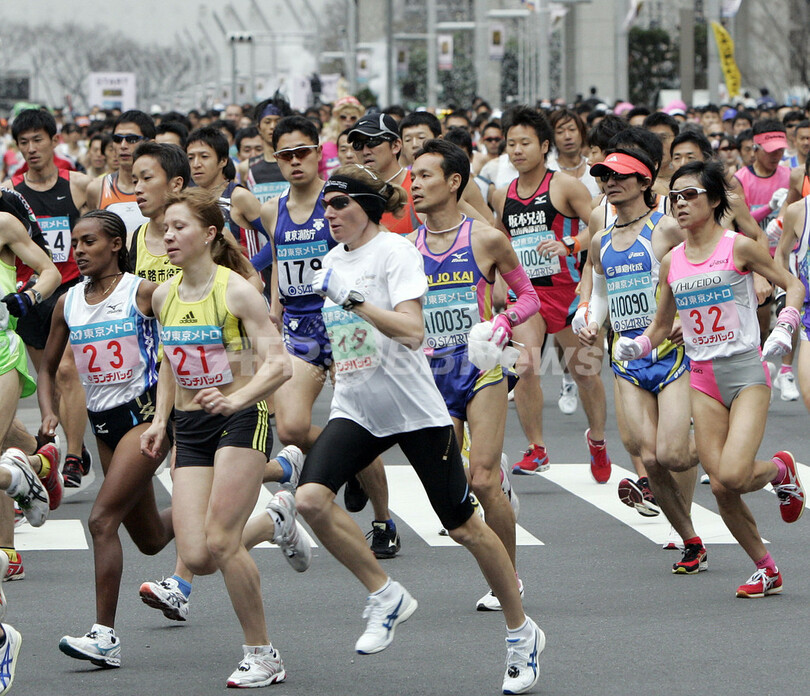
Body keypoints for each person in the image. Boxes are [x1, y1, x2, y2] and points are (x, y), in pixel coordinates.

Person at [296, 164, 543, 694]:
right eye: (326, 204)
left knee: (464, 527)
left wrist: (352, 300)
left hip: (415, 409)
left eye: (340, 203)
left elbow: (411, 332)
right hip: (357, 408)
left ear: (365, 205)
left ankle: (522, 634)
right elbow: (343, 339)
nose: (330, 213)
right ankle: (385, 595)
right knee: (311, 501)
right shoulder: (335, 262)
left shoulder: (396, 252)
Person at [615, 159, 806, 598]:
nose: (680, 204)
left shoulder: (738, 246)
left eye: (690, 196)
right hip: (701, 376)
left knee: (734, 476)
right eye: (674, 197)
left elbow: (791, 284)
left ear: (715, 200)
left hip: (744, 372)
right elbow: (662, 326)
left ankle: (781, 470)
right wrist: (639, 346)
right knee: (719, 485)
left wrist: (785, 323)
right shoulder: (671, 262)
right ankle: (766, 568)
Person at [139, 188, 294, 687]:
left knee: (223, 541)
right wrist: (161, 422)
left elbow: (279, 364)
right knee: (199, 555)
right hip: (191, 426)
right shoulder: (163, 295)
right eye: (165, 228)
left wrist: (238, 397)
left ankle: (263, 653)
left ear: (209, 234)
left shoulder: (236, 292)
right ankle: (275, 519)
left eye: (179, 227)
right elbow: (169, 362)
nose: (169, 236)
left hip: (242, 416)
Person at [254, 116, 399, 558]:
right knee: (292, 427)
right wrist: (274, 313)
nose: (295, 162)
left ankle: (383, 520)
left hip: (345, 325)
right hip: (300, 330)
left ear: (319, 152)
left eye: (303, 152)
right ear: (275, 159)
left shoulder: (339, 200)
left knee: (361, 425)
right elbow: (279, 260)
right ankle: (351, 469)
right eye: (285, 155)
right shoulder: (271, 209)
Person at [409, 140, 540, 609]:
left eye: (425, 175)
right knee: (456, 486)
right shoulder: (407, 249)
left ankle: (509, 577)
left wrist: (503, 322)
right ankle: (499, 486)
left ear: (454, 181)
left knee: (481, 479)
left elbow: (529, 298)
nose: (415, 183)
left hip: (482, 367)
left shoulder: (485, 238)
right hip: (431, 377)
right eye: (413, 175)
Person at [39, 210, 173, 668]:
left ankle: (105, 637)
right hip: (103, 426)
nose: (79, 249)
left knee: (101, 520)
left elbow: (190, 336)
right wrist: (48, 410)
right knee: (151, 538)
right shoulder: (68, 302)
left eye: (90, 241)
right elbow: (46, 366)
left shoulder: (143, 293)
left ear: (116, 244)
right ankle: (216, 507)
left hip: (145, 417)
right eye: (75, 242)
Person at [577, 149, 704, 572]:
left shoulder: (665, 228)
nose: (610, 182)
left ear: (645, 181)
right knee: (647, 457)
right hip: (627, 357)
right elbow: (600, 292)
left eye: (620, 176)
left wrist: (689, 315)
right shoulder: (601, 239)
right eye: (604, 176)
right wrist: (589, 320)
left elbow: (700, 266)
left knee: (674, 454)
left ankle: (714, 444)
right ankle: (691, 540)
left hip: (670, 353)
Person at [492, 106, 611, 481]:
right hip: (528, 297)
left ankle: (598, 440)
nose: (517, 150)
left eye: (525, 142)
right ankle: (536, 448)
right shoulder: (503, 194)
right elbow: (500, 242)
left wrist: (570, 243)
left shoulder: (564, 186)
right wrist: (497, 282)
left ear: (544, 146)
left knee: (585, 374)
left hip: (571, 294)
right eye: (511, 144)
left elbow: (602, 226)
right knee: (525, 366)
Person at [2, 108, 93, 491]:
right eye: (23, 142)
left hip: (69, 290)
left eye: (38, 140)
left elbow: (98, 232)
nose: (31, 148)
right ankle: (46, 453)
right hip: (27, 298)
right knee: (49, 379)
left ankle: (73, 455)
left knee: (68, 370)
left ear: (54, 141)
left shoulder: (79, 186)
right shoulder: (13, 192)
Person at [0, 188, 63, 584]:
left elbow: (51, 270)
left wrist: (30, 296)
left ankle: (7, 554)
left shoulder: (4, 224)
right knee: (7, 440)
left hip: (2, 354)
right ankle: (41, 463)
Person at [185, 126, 266, 259]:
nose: (196, 164)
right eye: (190, 158)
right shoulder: (189, 200)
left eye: (204, 156)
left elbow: (275, 238)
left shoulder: (238, 196)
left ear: (223, 161)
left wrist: (250, 268)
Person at [87, 110, 155, 239]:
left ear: (151, 143)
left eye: (132, 139)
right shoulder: (97, 188)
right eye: (117, 139)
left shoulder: (163, 187)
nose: (123, 146)